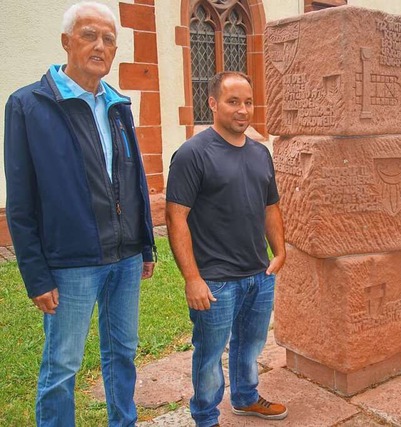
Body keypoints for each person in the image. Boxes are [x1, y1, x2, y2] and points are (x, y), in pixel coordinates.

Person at [4, 2, 156, 425]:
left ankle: (122, 421)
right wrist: (36, 274)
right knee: (63, 366)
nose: (100, 46)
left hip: (124, 259)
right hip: (71, 264)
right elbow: (20, 202)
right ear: (66, 42)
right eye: (90, 35)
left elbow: (134, 177)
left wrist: (145, 243)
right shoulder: (28, 105)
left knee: (122, 353)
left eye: (109, 39)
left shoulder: (117, 104)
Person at [166, 71, 287, 427]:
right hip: (215, 281)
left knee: (250, 348)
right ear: (213, 103)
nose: (243, 110)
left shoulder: (260, 153)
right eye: (233, 102)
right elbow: (176, 219)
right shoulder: (192, 154)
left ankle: (246, 398)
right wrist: (192, 279)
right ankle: (205, 416)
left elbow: (270, 206)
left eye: (248, 102)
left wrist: (278, 250)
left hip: (258, 274)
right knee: (209, 356)